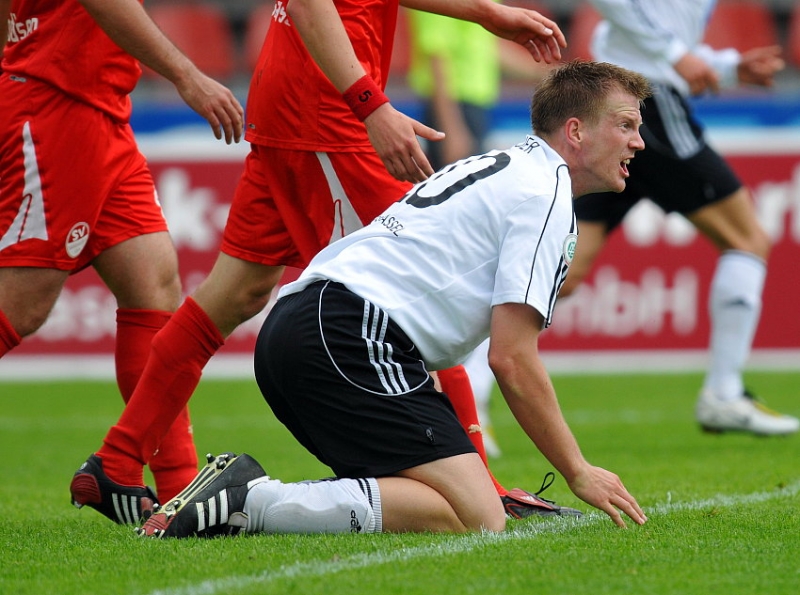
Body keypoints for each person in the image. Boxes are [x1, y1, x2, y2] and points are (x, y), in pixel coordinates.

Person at [69, 0, 571, 525]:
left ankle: (122, 461)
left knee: (232, 295)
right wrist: (371, 105)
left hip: (298, 99)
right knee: (411, 287)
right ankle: (487, 490)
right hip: (327, 111)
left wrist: (484, 13)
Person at [136, 60, 652, 539]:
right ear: (577, 130)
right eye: (626, 125)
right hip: (348, 336)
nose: (639, 142)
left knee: (454, 508)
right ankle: (250, 499)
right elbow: (511, 358)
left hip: (308, 329)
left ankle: (246, 500)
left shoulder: (509, 166)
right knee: (481, 517)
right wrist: (578, 472)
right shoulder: (545, 193)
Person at [0, 0, 244, 519]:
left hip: (99, 109)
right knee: (21, 306)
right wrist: (187, 74)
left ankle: (171, 487)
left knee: (153, 283)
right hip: (55, 104)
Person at [559, 0, 798, 436]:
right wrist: (677, 57)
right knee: (747, 238)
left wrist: (724, 68)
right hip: (648, 100)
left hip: (619, 96)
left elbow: (663, 32)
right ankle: (724, 394)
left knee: (564, 273)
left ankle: (465, 387)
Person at [406, 6, 554, 455]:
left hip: (473, 111)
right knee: (463, 259)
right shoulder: (445, 8)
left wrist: (557, 79)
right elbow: (436, 59)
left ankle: (468, 405)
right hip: (454, 112)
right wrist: (450, 124)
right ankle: (463, 406)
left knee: (475, 260)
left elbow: (485, 54)